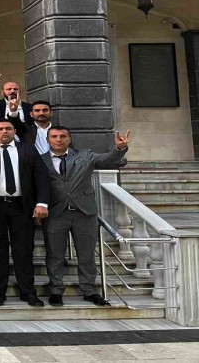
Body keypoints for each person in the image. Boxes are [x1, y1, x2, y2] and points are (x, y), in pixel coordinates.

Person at [42, 126, 130, 307]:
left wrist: (119, 148)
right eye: (54, 136)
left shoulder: (85, 155)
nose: (58, 139)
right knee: (55, 254)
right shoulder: (40, 160)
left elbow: (106, 159)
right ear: (47, 140)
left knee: (87, 254)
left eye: (63, 136)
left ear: (69, 139)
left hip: (84, 212)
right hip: (56, 213)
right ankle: (56, 290)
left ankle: (89, 291)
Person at [0, 119, 49, 307]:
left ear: (14, 131)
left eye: (8, 128)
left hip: (21, 206)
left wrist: (42, 203)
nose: (4, 131)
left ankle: (28, 292)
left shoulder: (28, 150)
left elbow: (41, 177)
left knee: (23, 250)